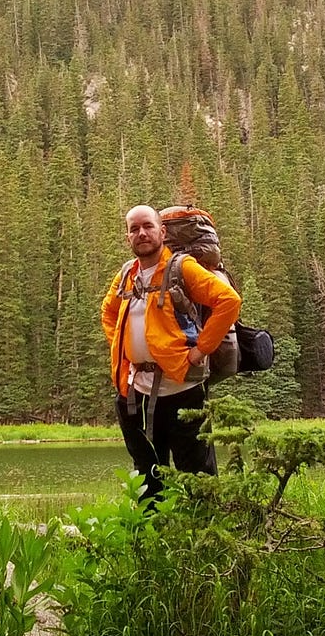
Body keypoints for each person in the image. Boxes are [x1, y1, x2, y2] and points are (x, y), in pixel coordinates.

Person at [101, 204, 241, 502]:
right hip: (135, 393)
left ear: (162, 232)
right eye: (134, 228)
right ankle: (152, 538)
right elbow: (108, 312)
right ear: (127, 236)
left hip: (183, 389)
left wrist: (201, 350)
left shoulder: (182, 267)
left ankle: (205, 537)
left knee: (197, 473)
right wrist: (123, 353)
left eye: (148, 226)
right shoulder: (127, 274)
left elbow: (228, 300)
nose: (142, 233)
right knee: (147, 473)